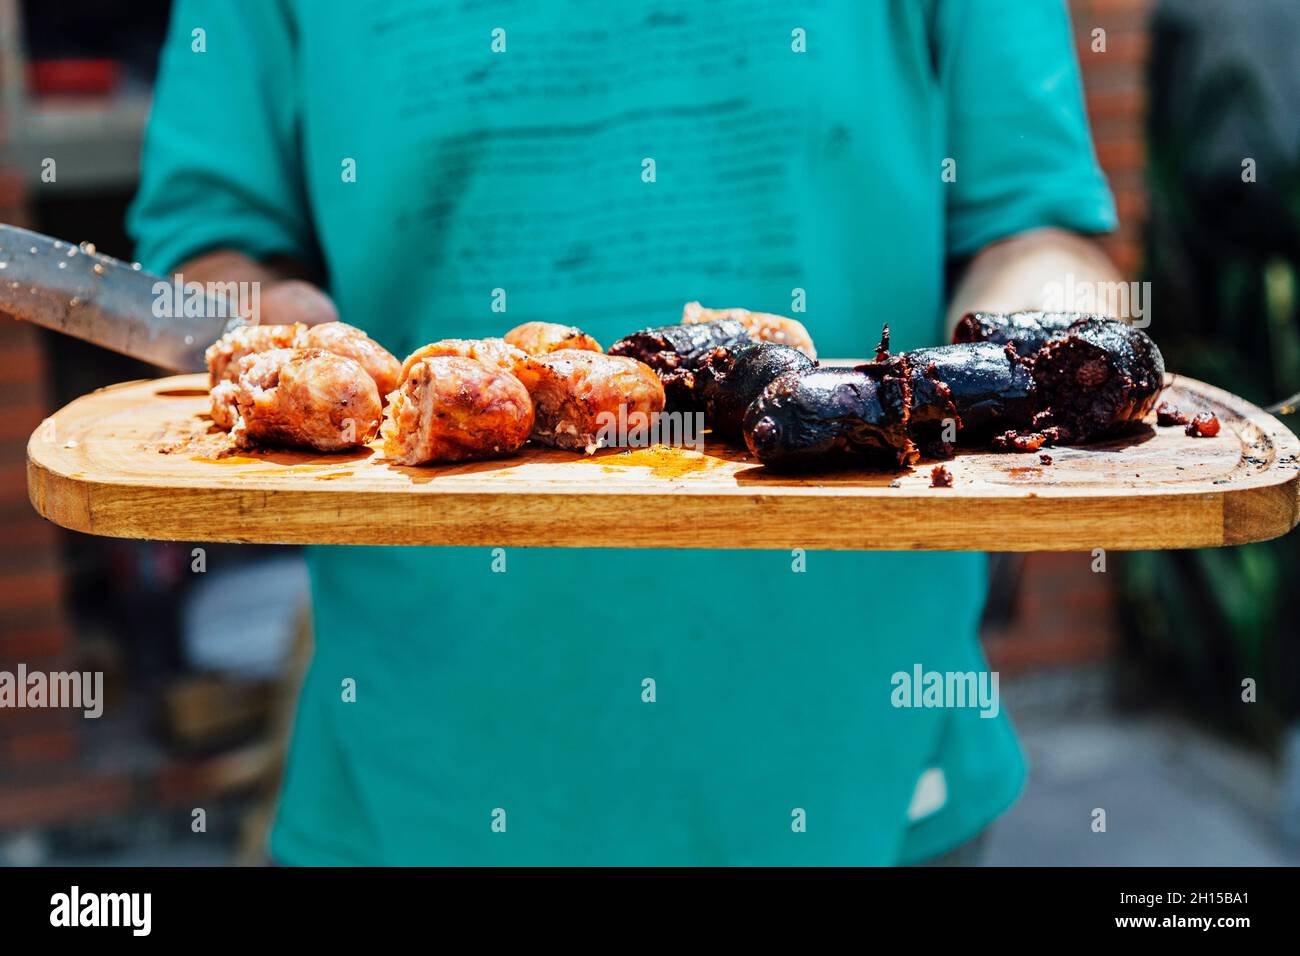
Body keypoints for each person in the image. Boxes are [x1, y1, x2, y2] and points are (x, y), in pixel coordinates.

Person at [129, 0, 1121, 865]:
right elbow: (208, 242)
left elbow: (1036, 224)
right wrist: (289, 348)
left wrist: (1050, 365)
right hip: (419, 786)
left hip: (870, 769)